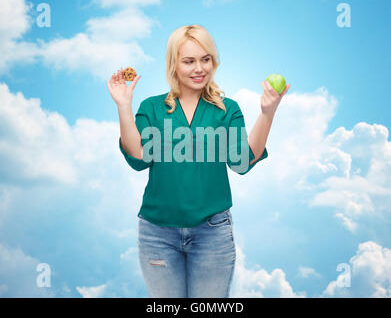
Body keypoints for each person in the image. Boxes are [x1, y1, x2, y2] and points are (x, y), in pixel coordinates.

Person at [107, 24, 290, 298]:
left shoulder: (227, 110)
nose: (199, 68)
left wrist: (267, 113)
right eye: (189, 61)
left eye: (205, 59)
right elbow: (139, 157)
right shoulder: (151, 108)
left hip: (212, 233)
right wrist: (123, 105)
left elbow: (241, 162)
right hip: (157, 233)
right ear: (173, 64)